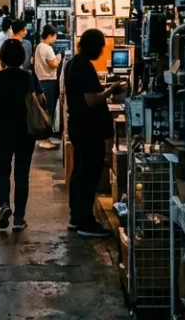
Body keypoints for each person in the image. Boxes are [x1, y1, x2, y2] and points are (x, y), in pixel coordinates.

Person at [65, 28, 125, 237]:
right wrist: (111, 90)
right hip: (87, 128)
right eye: (100, 47)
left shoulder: (74, 63)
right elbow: (91, 99)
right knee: (88, 174)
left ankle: (77, 217)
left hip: (79, 126)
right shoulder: (83, 66)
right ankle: (85, 221)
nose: (101, 51)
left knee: (80, 172)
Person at [0, 39, 37, 232]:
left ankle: (4, 204)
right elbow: (39, 100)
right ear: (22, 57)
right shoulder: (28, 77)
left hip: (2, 130)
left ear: (2, 57)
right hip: (25, 132)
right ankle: (19, 218)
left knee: (2, 171)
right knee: (22, 175)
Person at [33, 25, 62, 150]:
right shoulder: (47, 48)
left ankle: (42, 137)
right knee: (48, 110)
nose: (55, 39)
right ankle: (45, 139)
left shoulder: (38, 46)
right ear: (50, 35)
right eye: (55, 36)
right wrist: (58, 59)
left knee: (43, 109)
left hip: (40, 80)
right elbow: (53, 64)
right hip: (49, 81)